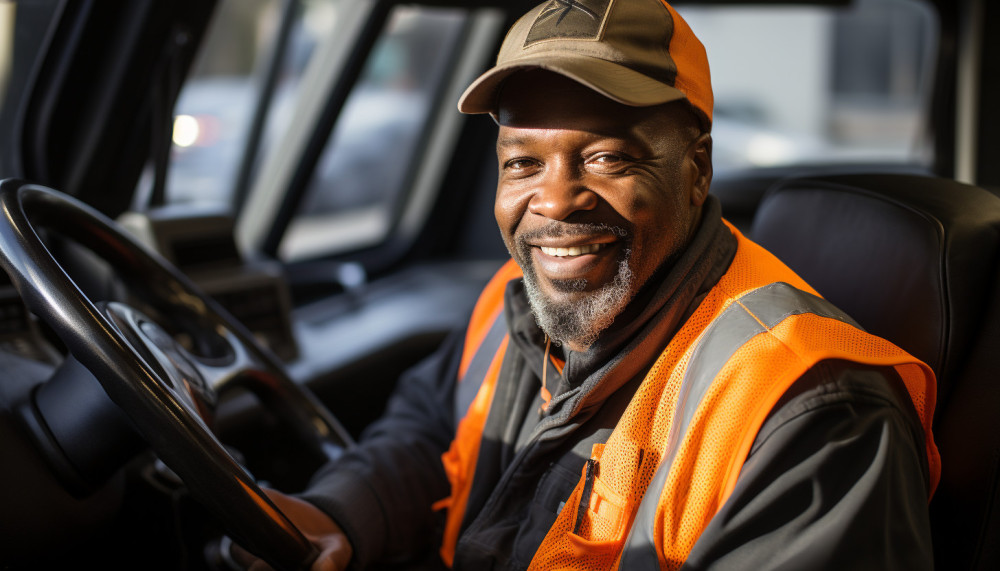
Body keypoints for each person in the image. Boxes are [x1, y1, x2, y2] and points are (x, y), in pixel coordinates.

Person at [235, 0, 940, 569]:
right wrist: (340, 513)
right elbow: (429, 428)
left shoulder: (810, 414)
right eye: (522, 163)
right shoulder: (510, 303)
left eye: (605, 156)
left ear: (696, 170)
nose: (555, 200)